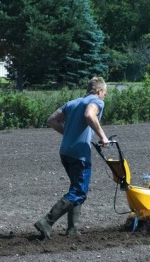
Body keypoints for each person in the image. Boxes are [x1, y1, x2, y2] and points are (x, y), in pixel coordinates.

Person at [34, 76, 109, 239]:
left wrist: (68, 133)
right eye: (104, 93)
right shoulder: (97, 101)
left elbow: (52, 120)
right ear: (98, 91)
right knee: (80, 191)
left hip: (65, 151)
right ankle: (46, 221)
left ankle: (72, 229)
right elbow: (90, 115)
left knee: (75, 188)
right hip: (79, 154)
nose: (104, 96)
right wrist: (103, 136)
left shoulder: (73, 103)